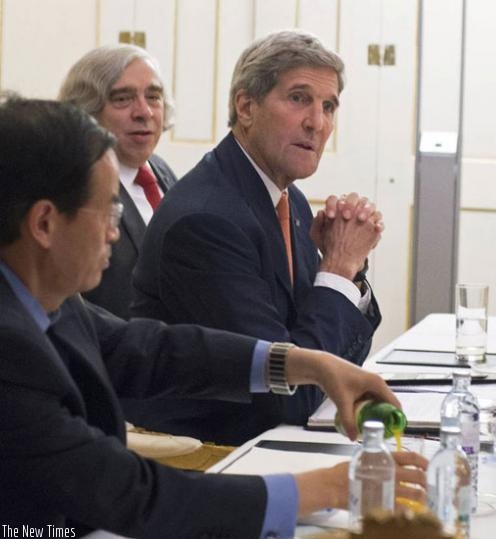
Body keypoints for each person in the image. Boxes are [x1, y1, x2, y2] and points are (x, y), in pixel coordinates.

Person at [0, 95, 426, 537]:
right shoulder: (9, 349)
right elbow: (129, 493)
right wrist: (326, 488)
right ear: (44, 224)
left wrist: (304, 363)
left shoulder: (47, 297)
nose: (114, 231)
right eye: (109, 210)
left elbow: (146, 350)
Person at [129, 30, 384, 444]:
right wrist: (337, 269)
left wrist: (347, 272)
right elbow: (288, 396)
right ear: (246, 107)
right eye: (299, 98)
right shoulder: (206, 221)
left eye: (328, 106)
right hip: (207, 456)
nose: (317, 123)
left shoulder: (289, 199)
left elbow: (337, 358)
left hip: (270, 441)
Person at [58, 44, 178, 320]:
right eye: (123, 99)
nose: (144, 112)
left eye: (153, 97)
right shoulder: (75, 183)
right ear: (88, 109)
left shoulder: (161, 170)